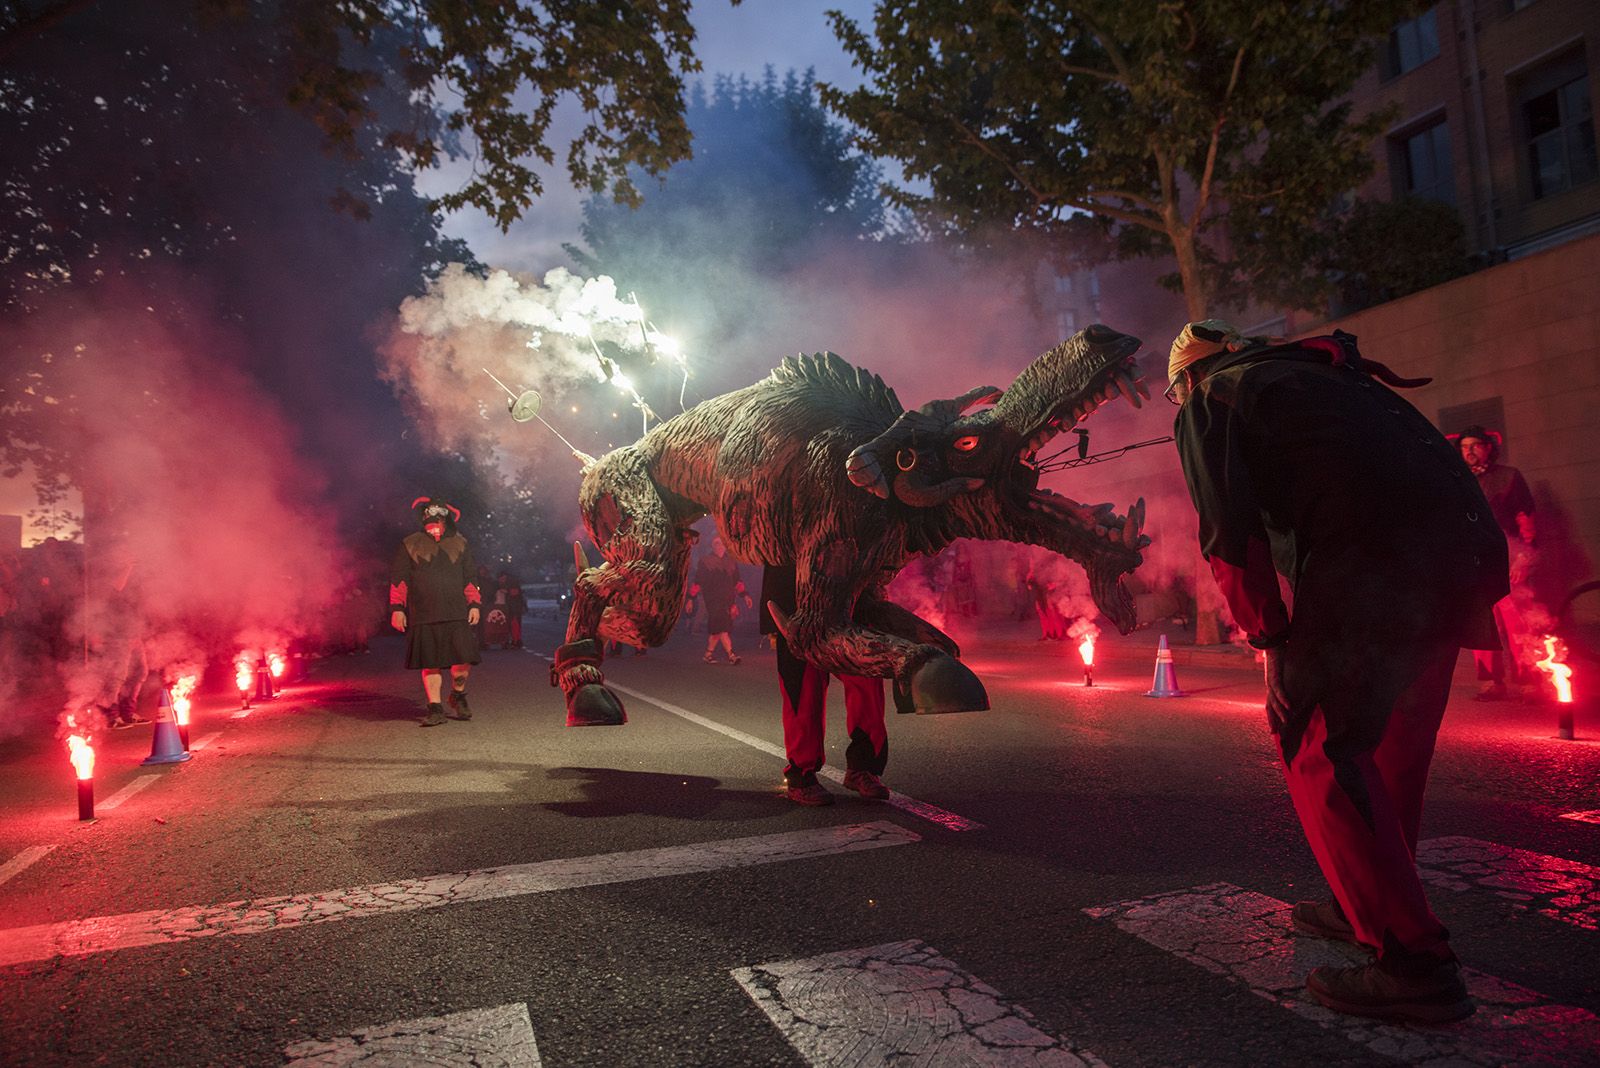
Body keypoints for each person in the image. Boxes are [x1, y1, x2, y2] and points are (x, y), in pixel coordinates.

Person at [1167, 320, 1507, 1024]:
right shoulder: (1324, 378)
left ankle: (1415, 962)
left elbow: (1229, 541)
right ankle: (1370, 902)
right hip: (1461, 557)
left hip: (1373, 569)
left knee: (1318, 747)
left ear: (1184, 380)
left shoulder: (1211, 401)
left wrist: (1270, 641)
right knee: (1392, 747)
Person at [760, 564, 890, 806]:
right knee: (805, 691)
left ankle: (863, 768)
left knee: (867, 680)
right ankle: (802, 777)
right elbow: (774, 549)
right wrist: (772, 620)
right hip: (795, 607)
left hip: (851, 604)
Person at [1448, 426, 1539, 700]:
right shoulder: (1458, 481)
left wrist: (1523, 557)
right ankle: (1491, 683)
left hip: (1509, 558)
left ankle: (1528, 683)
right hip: (1475, 563)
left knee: (1519, 624)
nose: (1469, 452)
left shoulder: (1508, 477)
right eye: (1465, 447)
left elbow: (1526, 518)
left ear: (1489, 447)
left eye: (1475, 445)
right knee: (1482, 624)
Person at [389, 497, 481, 726]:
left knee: (462, 663)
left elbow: (470, 578)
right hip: (424, 613)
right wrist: (397, 609)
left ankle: (457, 694)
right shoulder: (410, 543)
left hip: (457, 612)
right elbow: (400, 579)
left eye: (439, 518)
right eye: (429, 518)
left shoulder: (460, 543)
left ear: (447, 519)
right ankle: (435, 707)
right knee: (431, 663)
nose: (434, 522)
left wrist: (474, 604)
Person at [688, 536, 752, 664]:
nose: (719, 546)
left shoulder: (731, 562)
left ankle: (709, 654)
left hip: (728, 600)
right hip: (712, 599)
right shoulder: (706, 561)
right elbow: (698, 581)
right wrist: (691, 598)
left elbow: (737, 581)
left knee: (720, 629)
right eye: (716, 543)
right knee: (721, 626)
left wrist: (745, 595)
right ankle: (731, 655)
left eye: (721, 543)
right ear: (712, 545)